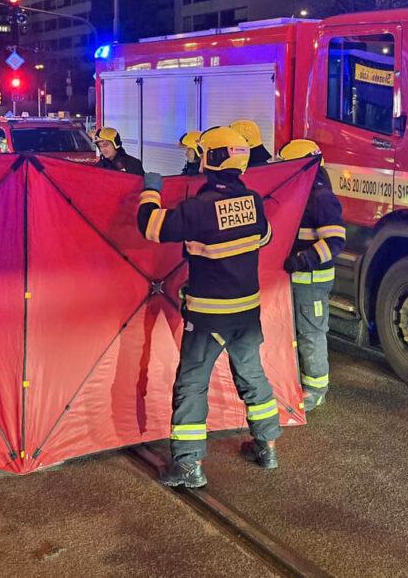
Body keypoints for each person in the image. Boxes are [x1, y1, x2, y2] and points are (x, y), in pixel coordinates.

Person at [137, 126, 280, 488]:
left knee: (191, 386)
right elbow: (264, 236)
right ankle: (268, 446)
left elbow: (150, 227)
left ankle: (188, 466)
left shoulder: (198, 209)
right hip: (246, 316)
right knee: (253, 378)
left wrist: (150, 191)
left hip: (207, 318)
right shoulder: (254, 203)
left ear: (212, 159)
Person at [276, 140, 345, 411]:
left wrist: (302, 260)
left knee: (311, 334)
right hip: (296, 279)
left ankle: (316, 390)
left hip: (311, 281)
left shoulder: (321, 198)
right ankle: (297, 382)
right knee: (296, 332)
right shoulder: (302, 192)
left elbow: (335, 242)